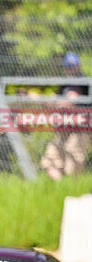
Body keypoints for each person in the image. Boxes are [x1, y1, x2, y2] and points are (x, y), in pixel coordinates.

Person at [40, 52, 91, 180]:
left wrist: (54, 103)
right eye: (67, 67)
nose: (70, 69)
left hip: (81, 129)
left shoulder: (83, 82)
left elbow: (70, 102)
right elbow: (53, 101)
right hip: (64, 127)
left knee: (72, 162)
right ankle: (60, 189)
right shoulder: (64, 84)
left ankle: (70, 191)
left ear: (78, 66)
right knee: (51, 158)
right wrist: (40, 99)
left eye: (72, 66)